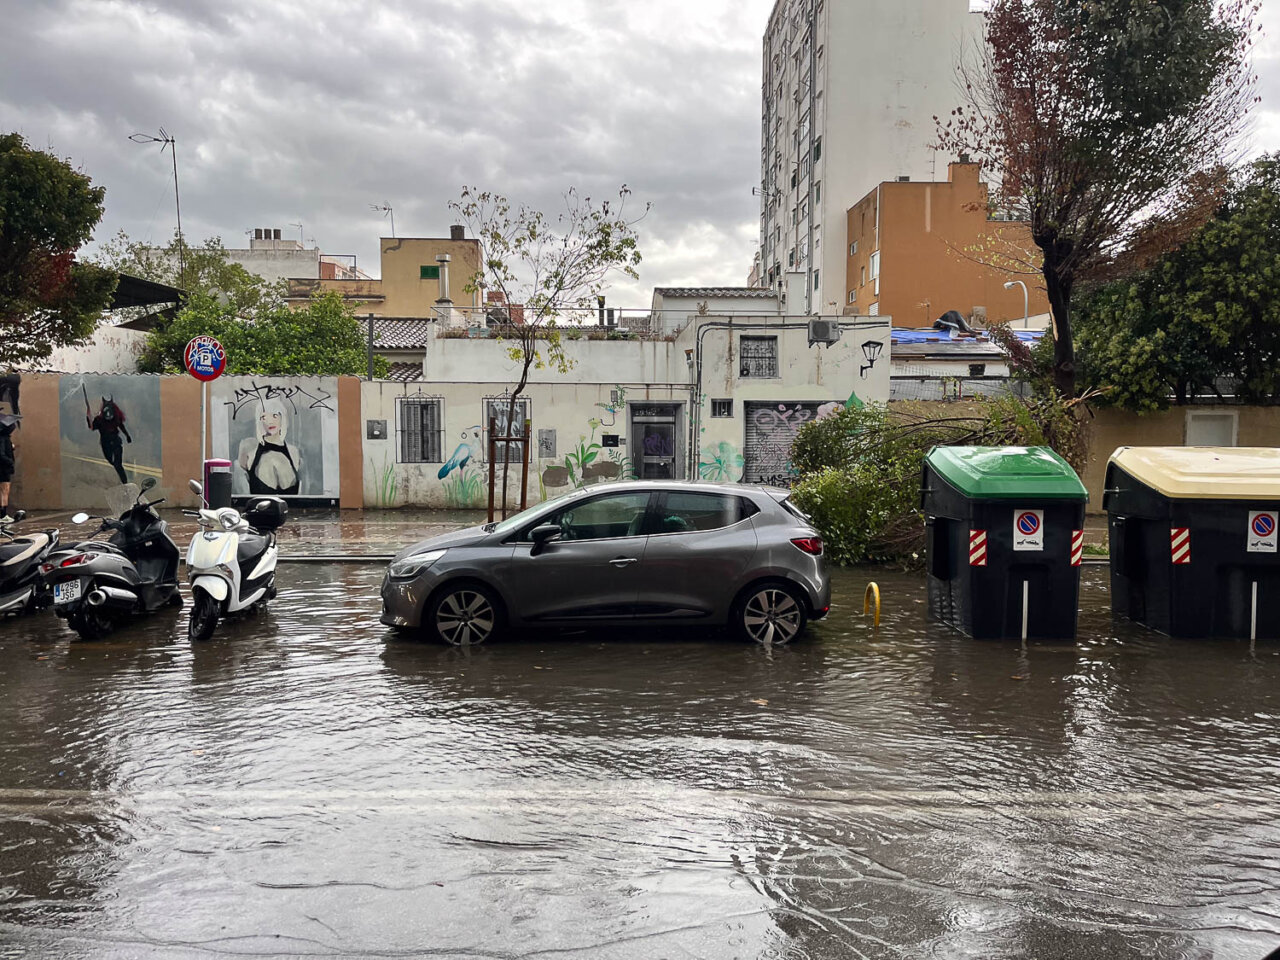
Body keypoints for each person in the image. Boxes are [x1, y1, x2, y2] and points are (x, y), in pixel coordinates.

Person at [236, 398, 301, 495]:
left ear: (282, 418)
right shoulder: (249, 448)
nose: (269, 421)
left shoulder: (293, 452)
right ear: (259, 421)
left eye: (274, 416)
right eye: (264, 417)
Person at [87, 398, 131, 485]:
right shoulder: (99, 420)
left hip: (116, 442)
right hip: (105, 443)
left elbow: (121, 426)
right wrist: (88, 419)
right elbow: (92, 427)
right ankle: (124, 481)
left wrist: (127, 436)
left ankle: (125, 483)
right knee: (112, 461)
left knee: (118, 464)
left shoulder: (116, 417)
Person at [0, 414, 16, 522]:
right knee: (4, 491)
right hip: (3, 469)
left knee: (3, 491)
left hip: (3, 468)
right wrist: (10, 462)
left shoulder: (4, 439)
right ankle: (3, 515)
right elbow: (1, 454)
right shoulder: (3, 438)